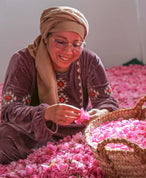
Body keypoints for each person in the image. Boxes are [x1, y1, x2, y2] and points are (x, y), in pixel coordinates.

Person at [0, 6, 119, 164]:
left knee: (117, 136)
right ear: (46, 37)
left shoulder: (89, 60)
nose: (68, 51)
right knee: (4, 141)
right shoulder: (23, 60)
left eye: (76, 44)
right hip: (32, 134)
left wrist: (102, 112)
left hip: (77, 130)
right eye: (61, 42)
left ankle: (66, 152)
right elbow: (9, 110)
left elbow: (107, 101)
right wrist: (46, 114)